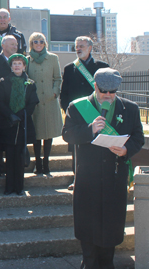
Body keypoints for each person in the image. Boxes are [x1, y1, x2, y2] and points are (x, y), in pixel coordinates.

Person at [62, 68, 144, 269]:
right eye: (103, 91)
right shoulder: (77, 107)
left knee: (111, 223)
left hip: (114, 176)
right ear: (95, 86)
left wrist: (126, 150)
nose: (108, 95)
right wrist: (90, 129)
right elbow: (67, 135)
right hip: (88, 175)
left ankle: (107, 262)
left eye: (112, 92)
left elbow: (138, 138)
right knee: (87, 222)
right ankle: (88, 261)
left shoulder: (131, 109)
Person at [60, 36, 109, 190]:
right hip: (77, 116)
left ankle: (98, 179)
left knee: (99, 148)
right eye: (76, 46)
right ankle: (78, 179)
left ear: (90, 48)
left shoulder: (102, 67)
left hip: (97, 114)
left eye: (81, 46)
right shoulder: (69, 68)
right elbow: (64, 94)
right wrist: (69, 112)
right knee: (77, 150)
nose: (78, 48)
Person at [0, 54, 39, 195]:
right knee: (9, 156)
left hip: (23, 124)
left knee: (19, 157)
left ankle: (19, 187)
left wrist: (20, 115)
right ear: (11, 66)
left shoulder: (30, 84)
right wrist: (10, 115)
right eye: (14, 64)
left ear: (24, 66)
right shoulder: (3, 82)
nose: (17, 66)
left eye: (20, 63)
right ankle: (9, 186)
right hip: (8, 124)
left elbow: (32, 103)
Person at [26, 32, 63, 176]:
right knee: (37, 133)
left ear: (45, 43)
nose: (39, 44)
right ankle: (38, 162)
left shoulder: (53, 58)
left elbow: (58, 78)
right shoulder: (28, 60)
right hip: (35, 102)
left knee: (48, 133)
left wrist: (54, 92)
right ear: (31, 44)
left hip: (49, 101)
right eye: (35, 42)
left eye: (41, 41)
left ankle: (46, 162)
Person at [0, 35, 18, 177]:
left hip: (14, 107)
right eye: (12, 44)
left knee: (12, 139)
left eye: (16, 44)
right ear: (3, 46)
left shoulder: (19, 63)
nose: (15, 47)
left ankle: (11, 167)